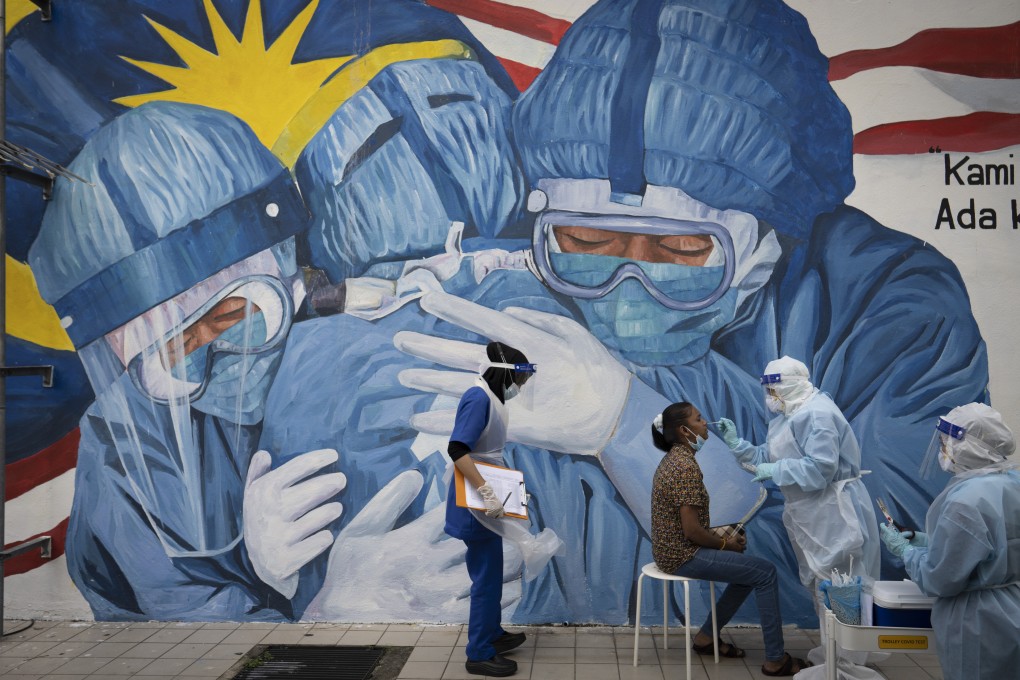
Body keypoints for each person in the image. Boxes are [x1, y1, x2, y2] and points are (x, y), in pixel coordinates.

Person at [29, 102, 346, 620]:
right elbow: (176, 624)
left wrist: (499, 405)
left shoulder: (370, 344)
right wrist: (315, 603)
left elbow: (486, 490)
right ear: (118, 350)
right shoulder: (122, 450)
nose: (219, 366)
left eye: (235, 316)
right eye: (175, 353)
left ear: (285, 258)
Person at [717, 356, 881, 664]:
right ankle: (833, 657)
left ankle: (847, 663)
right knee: (821, 585)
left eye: (774, 390)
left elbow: (820, 469)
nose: (770, 397)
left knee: (842, 586)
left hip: (832, 511)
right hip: (808, 510)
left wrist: (775, 470)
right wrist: (739, 446)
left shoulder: (817, 414)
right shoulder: (790, 414)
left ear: (791, 386)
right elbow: (772, 456)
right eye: (767, 390)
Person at [651, 401, 811, 677]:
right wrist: (725, 544)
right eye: (698, 419)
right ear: (685, 431)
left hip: (673, 549)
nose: (705, 423)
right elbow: (692, 531)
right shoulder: (684, 468)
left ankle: (706, 638)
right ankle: (776, 660)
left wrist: (725, 537)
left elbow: (685, 527)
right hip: (682, 555)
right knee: (765, 573)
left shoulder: (676, 459)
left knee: (748, 574)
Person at [881, 403, 1020, 680]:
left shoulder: (964, 501)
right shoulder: (1012, 482)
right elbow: (995, 545)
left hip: (978, 621)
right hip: (1012, 606)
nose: (943, 449)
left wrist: (906, 551)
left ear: (969, 447)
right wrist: (929, 542)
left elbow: (940, 578)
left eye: (946, 442)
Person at [445, 342, 535, 677]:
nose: (520, 387)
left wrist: (505, 491)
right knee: (485, 579)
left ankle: (492, 634)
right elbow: (457, 449)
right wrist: (485, 491)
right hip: (475, 503)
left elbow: (487, 453)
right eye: (519, 379)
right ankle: (479, 653)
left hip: (486, 498)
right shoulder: (478, 397)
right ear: (504, 374)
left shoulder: (492, 399)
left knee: (491, 573)